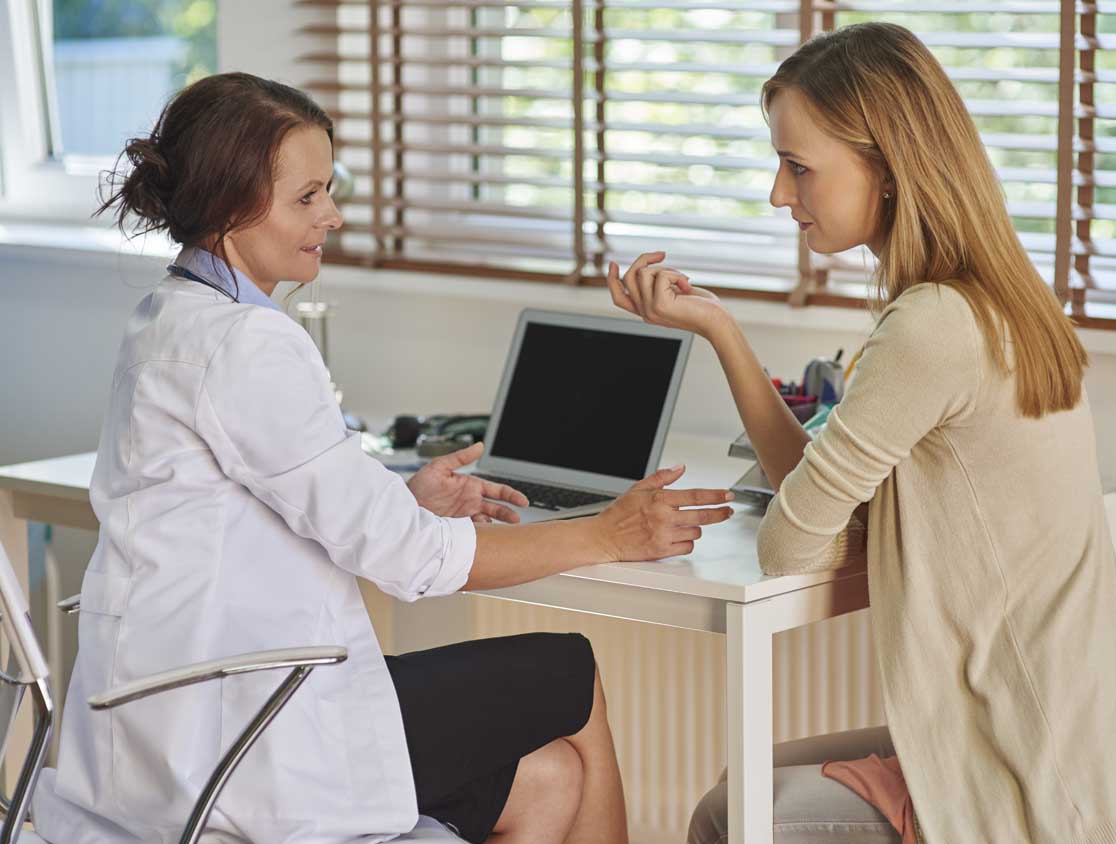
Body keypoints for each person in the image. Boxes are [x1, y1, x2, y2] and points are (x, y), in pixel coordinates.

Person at [31, 72, 735, 844]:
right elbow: (412, 562)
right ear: (232, 206)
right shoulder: (248, 342)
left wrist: (406, 502)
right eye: (307, 197)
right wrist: (608, 534)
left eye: (328, 190)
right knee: (570, 671)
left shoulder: (167, 318)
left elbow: (267, 507)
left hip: (167, 726)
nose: (331, 215)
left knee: (550, 779)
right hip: (243, 734)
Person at [607, 22, 1116, 844]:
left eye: (799, 167)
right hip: (1101, 743)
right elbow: (820, 501)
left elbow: (790, 545)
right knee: (743, 785)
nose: (778, 194)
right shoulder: (994, 297)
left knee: (731, 815)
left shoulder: (930, 327)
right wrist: (721, 331)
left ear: (885, 167)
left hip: (1043, 780)